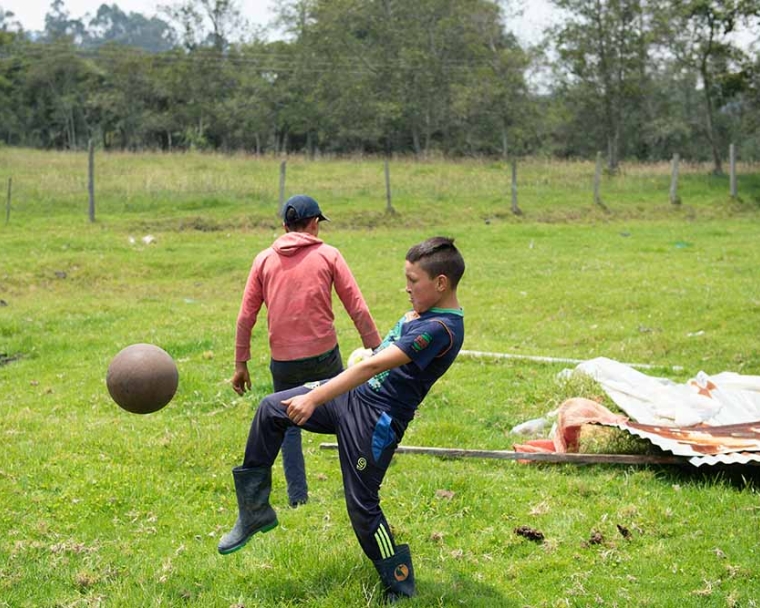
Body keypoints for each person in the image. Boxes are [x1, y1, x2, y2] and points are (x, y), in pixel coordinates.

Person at [219, 236, 466, 603]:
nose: (407, 287)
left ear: (441, 283)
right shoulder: (424, 314)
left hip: (376, 420)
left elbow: (376, 365)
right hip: (353, 397)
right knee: (271, 408)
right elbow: (379, 356)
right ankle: (254, 510)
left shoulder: (440, 330)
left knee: (362, 505)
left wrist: (314, 397)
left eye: (413, 281)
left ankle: (400, 583)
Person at [232, 194, 382, 507]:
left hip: (284, 360)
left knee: (288, 425)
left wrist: (241, 362)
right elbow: (356, 305)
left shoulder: (264, 260)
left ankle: (297, 497)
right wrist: (376, 348)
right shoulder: (329, 255)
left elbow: (246, 315)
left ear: (284, 226)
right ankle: (357, 484)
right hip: (324, 355)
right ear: (314, 224)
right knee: (347, 415)